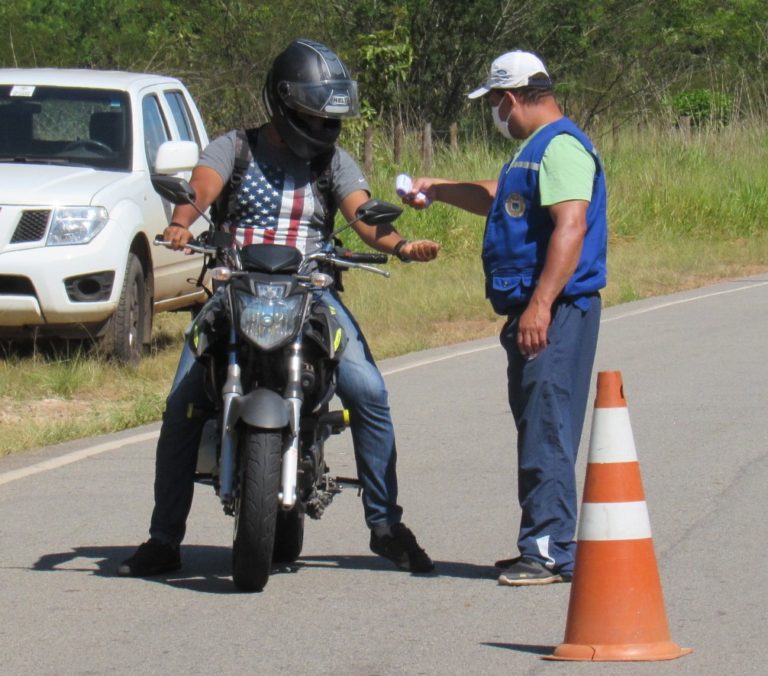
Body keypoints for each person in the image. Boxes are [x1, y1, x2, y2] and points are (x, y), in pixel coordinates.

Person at [119, 39, 440, 578]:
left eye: (327, 119)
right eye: (311, 117)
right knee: (180, 404)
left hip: (311, 293)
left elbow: (363, 216)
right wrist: (182, 220)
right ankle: (163, 538)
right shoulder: (234, 148)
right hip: (234, 289)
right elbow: (201, 187)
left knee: (368, 391)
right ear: (283, 106)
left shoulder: (334, 161)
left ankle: (385, 526)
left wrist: (402, 245)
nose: (321, 129)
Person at [402, 51, 607, 586]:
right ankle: (543, 540)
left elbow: (571, 227)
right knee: (537, 423)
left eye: (495, 103)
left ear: (511, 97)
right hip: (534, 310)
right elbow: (501, 199)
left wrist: (540, 305)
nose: (495, 114)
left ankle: (547, 549)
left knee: (547, 426)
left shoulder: (560, 146)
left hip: (555, 310)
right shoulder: (531, 153)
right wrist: (440, 190)